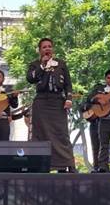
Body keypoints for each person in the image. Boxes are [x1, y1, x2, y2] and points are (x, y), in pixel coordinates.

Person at [26, 38, 75, 172]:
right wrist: (42, 65)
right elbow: (30, 78)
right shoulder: (35, 64)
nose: (47, 49)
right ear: (40, 50)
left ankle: (67, 164)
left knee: (62, 133)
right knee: (40, 134)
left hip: (58, 101)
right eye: (44, 47)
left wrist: (69, 98)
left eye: (49, 46)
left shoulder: (61, 64)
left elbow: (68, 84)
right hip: (41, 102)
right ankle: (41, 165)